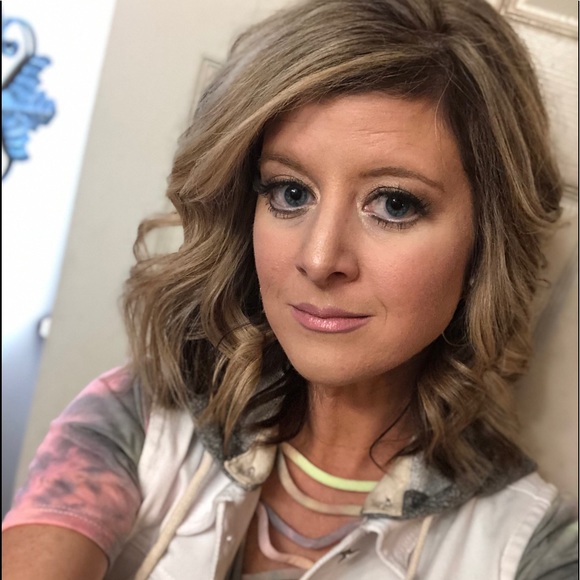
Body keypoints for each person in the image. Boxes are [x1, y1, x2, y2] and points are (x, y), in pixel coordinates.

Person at [2, 0, 578, 578]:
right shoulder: (142, 421)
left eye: (394, 204)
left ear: (486, 239)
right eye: (290, 192)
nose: (320, 259)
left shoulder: (533, 552)